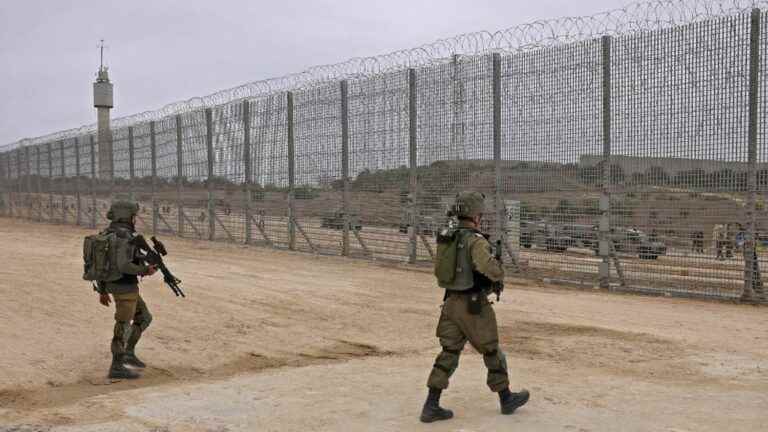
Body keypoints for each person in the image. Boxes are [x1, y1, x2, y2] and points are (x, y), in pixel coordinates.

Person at [420, 191, 529, 423]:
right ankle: (506, 398)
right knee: (491, 351)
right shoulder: (475, 240)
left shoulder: (448, 237)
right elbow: (489, 268)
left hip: (450, 303)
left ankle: (431, 404)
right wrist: (499, 269)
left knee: (449, 352)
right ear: (475, 215)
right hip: (473, 306)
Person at [95, 199, 157, 379]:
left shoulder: (108, 233)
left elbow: (102, 264)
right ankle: (116, 366)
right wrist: (146, 270)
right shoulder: (124, 237)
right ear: (127, 216)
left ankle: (128, 353)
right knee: (123, 325)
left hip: (121, 286)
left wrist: (102, 290)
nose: (135, 219)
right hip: (124, 287)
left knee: (144, 317)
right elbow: (123, 265)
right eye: (133, 216)